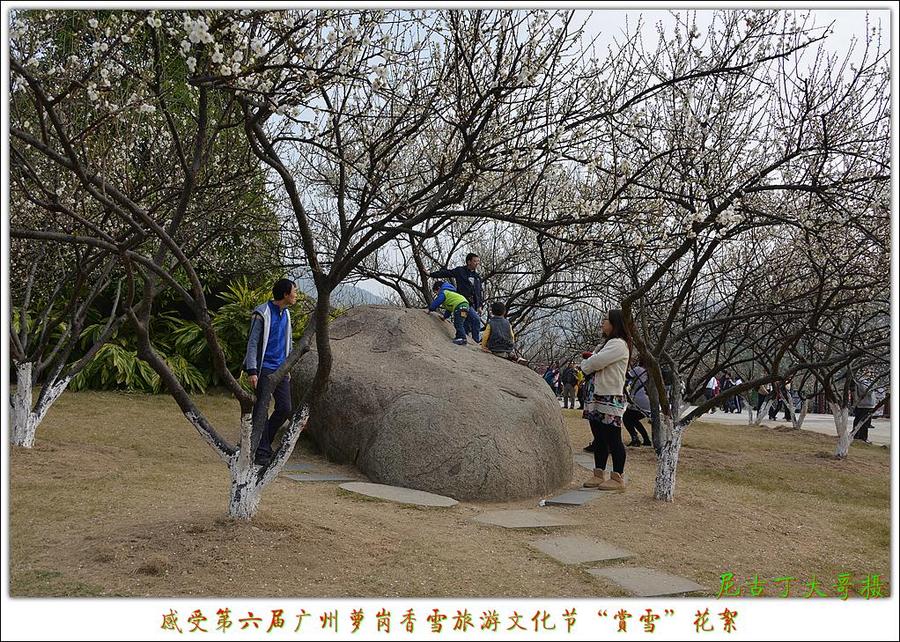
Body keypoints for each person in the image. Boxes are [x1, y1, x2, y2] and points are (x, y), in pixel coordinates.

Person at [243, 278, 298, 467]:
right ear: (285, 294)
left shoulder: (287, 314)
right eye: (294, 292)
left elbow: (288, 342)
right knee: (261, 410)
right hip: (264, 369)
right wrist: (252, 370)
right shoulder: (262, 313)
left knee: (284, 408)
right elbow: (252, 343)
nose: (296, 295)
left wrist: (288, 367)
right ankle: (262, 451)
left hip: (281, 368)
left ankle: (262, 444)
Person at [581, 309, 632, 492]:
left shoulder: (618, 344)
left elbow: (593, 364)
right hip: (597, 396)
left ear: (614, 323)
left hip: (610, 396)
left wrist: (587, 363)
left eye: (606, 320)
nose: (603, 323)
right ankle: (598, 474)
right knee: (599, 437)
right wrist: (589, 363)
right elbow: (592, 362)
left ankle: (618, 477)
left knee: (613, 438)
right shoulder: (606, 343)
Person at [429, 253, 483, 343]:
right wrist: (431, 274)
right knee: (472, 320)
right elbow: (447, 273)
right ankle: (468, 340)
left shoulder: (477, 277)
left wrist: (480, 305)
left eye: (478, 261)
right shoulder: (460, 271)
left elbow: (479, 293)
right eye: (475, 261)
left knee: (470, 322)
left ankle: (473, 342)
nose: (477, 263)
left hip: (471, 303)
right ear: (469, 262)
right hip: (463, 301)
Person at [426, 281, 471, 345]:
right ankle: (459, 337)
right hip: (465, 307)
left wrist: (430, 309)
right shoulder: (450, 295)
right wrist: (444, 317)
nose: (437, 294)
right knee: (460, 322)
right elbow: (449, 310)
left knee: (458, 323)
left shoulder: (444, 292)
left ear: (439, 288)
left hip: (460, 306)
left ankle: (462, 338)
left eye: (436, 292)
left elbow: (437, 301)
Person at [623, 361, 653, 447]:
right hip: (648, 401)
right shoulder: (651, 372)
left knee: (626, 418)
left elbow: (627, 375)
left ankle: (635, 438)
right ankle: (646, 439)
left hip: (639, 399)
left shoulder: (639, 369)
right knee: (633, 419)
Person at [853, 377, 877, 443]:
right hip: (864, 405)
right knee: (863, 423)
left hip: (867, 405)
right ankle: (861, 438)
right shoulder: (861, 381)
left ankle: (859, 437)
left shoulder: (865, 381)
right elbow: (867, 392)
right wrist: (874, 385)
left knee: (863, 423)